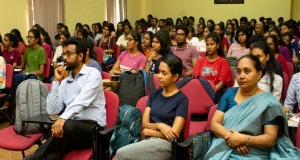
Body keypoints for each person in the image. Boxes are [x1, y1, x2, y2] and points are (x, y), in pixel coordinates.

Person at [23, 37, 106, 160]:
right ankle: (37, 157)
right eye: (63, 54)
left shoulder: (93, 74)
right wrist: (56, 82)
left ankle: (34, 157)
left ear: (80, 56)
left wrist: (63, 118)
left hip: (92, 131)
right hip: (70, 132)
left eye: (69, 54)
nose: (65, 58)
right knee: (51, 157)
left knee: (68, 125)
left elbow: (82, 101)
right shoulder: (65, 82)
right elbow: (52, 110)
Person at [205, 54, 300, 159]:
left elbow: (270, 139)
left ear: (259, 74)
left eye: (247, 71)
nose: (241, 76)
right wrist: (234, 139)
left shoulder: (269, 103)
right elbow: (214, 124)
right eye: (239, 71)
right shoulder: (229, 94)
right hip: (224, 147)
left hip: (253, 153)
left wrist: (244, 139)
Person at [115, 55, 188, 160]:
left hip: (166, 144)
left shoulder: (182, 100)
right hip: (148, 140)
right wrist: (159, 126)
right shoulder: (154, 94)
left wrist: (149, 132)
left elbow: (174, 134)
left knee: (121, 154)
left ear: (175, 77)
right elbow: (144, 124)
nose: (159, 76)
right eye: (158, 72)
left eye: (164, 73)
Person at [193, 32, 232, 102]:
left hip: (217, 93)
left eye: (212, 44)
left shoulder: (223, 62)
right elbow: (196, 79)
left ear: (217, 46)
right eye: (207, 44)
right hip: (201, 92)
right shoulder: (200, 61)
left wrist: (209, 92)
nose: (209, 47)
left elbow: (221, 84)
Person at [11, 29, 46, 102]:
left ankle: (10, 100)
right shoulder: (28, 50)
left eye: (31, 37)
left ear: (36, 39)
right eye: (28, 37)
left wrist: (27, 73)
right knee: (14, 75)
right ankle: (14, 100)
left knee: (19, 77)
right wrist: (12, 67)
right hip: (26, 74)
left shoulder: (41, 50)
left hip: (36, 76)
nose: (29, 39)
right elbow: (21, 66)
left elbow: (41, 71)